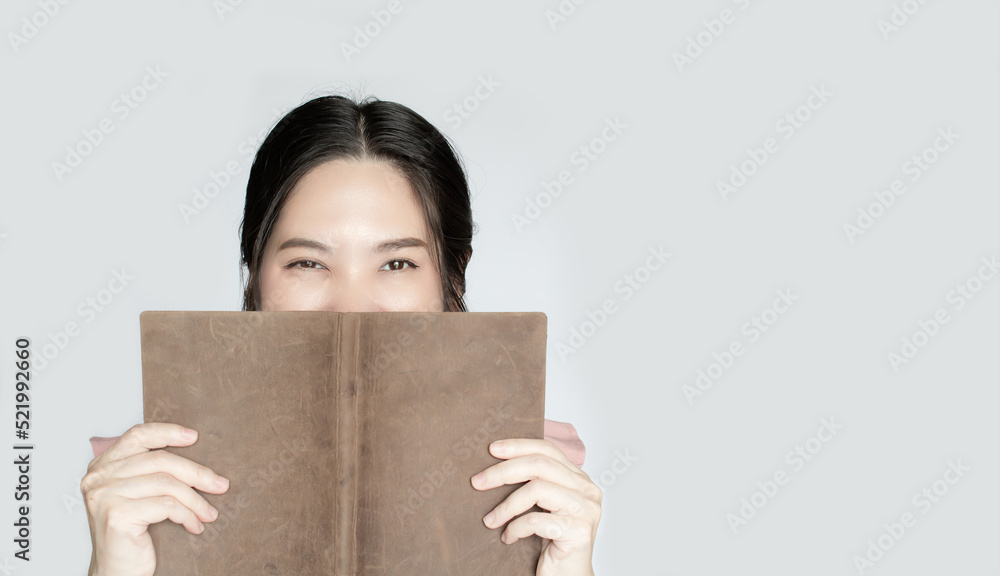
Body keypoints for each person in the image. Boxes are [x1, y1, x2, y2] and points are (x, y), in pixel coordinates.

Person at [81, 94, 602, 576]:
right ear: (254, 274)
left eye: (397, 262)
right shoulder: (149, 489)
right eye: (308, 262)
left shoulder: (535, 488)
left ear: (452, 277)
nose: (351, 306)